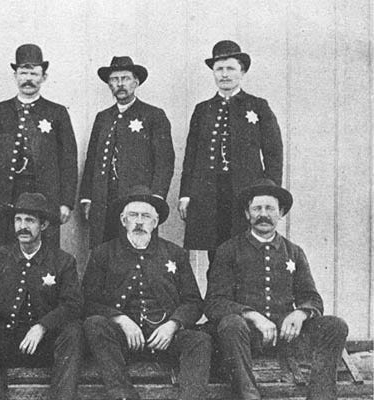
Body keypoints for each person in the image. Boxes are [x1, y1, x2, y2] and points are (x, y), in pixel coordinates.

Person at [205, 179, 348, 400]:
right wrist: (252, 315)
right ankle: (248, 396)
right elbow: (214, 303)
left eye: (270, 208)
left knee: (335, 326)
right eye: (257, 208)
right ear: (247, 214)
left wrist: (300, 313)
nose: (264, 214)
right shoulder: (228, 250)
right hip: (245, 338)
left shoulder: (294, 252)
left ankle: (321, 396)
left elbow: (312, 298)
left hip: (286, 337)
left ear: (280, 213)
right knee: (231, 324)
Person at [82, 186, 211, 400]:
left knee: (200, 340)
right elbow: (88, 302)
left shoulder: (175, 253)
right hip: (122, 340)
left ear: (155, 222)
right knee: (94, 324)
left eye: (146, 216)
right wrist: (120, 319)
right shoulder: (103, 253)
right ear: (123, 220)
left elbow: (194, 302)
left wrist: (173, 325)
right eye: (133, 215)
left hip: (165, 338)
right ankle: (123, 395)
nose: (139, 222)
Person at [0, 192, 83, 400]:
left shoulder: (63, 261)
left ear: (43, 225)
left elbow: (72, 304)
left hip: (45, 343)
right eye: (18, 220)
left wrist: (43, 326)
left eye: (30, 220)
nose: (22, 226)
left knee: (73, 331)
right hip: (8, 341)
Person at [179, 40, 283, 261]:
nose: (224, 74)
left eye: (230, 68)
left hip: (245, 192)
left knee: (247, 250)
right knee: (215, 253)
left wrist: (270, 194)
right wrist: (186, 194)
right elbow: (191, 157)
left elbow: (274, 154)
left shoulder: (258, 106)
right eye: (219, 69)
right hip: (209, 194)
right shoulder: (203, 110)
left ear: (242, 72)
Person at [0, 43, 78, 251]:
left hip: (44, 196)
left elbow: (68, 161)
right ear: (15, 76)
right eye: (23, 73)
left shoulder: (57, 113)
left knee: (44, 252)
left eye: (34, 73)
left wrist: (66, 202)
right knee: (3, 251)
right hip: (5, 195)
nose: (28, 79)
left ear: (43, 77)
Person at [80, 56, 174, 247]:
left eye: (125, 78)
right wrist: (87, 197)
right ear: (109, 84)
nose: (120, 84)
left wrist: (156, 197)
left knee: (136, 246)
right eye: (115, 79)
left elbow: (164, 161)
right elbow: (92, 161)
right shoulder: (103, 118)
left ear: (136, 82)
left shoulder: (153, 115)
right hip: (104, 199)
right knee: (104, 248)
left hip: (137, 200)